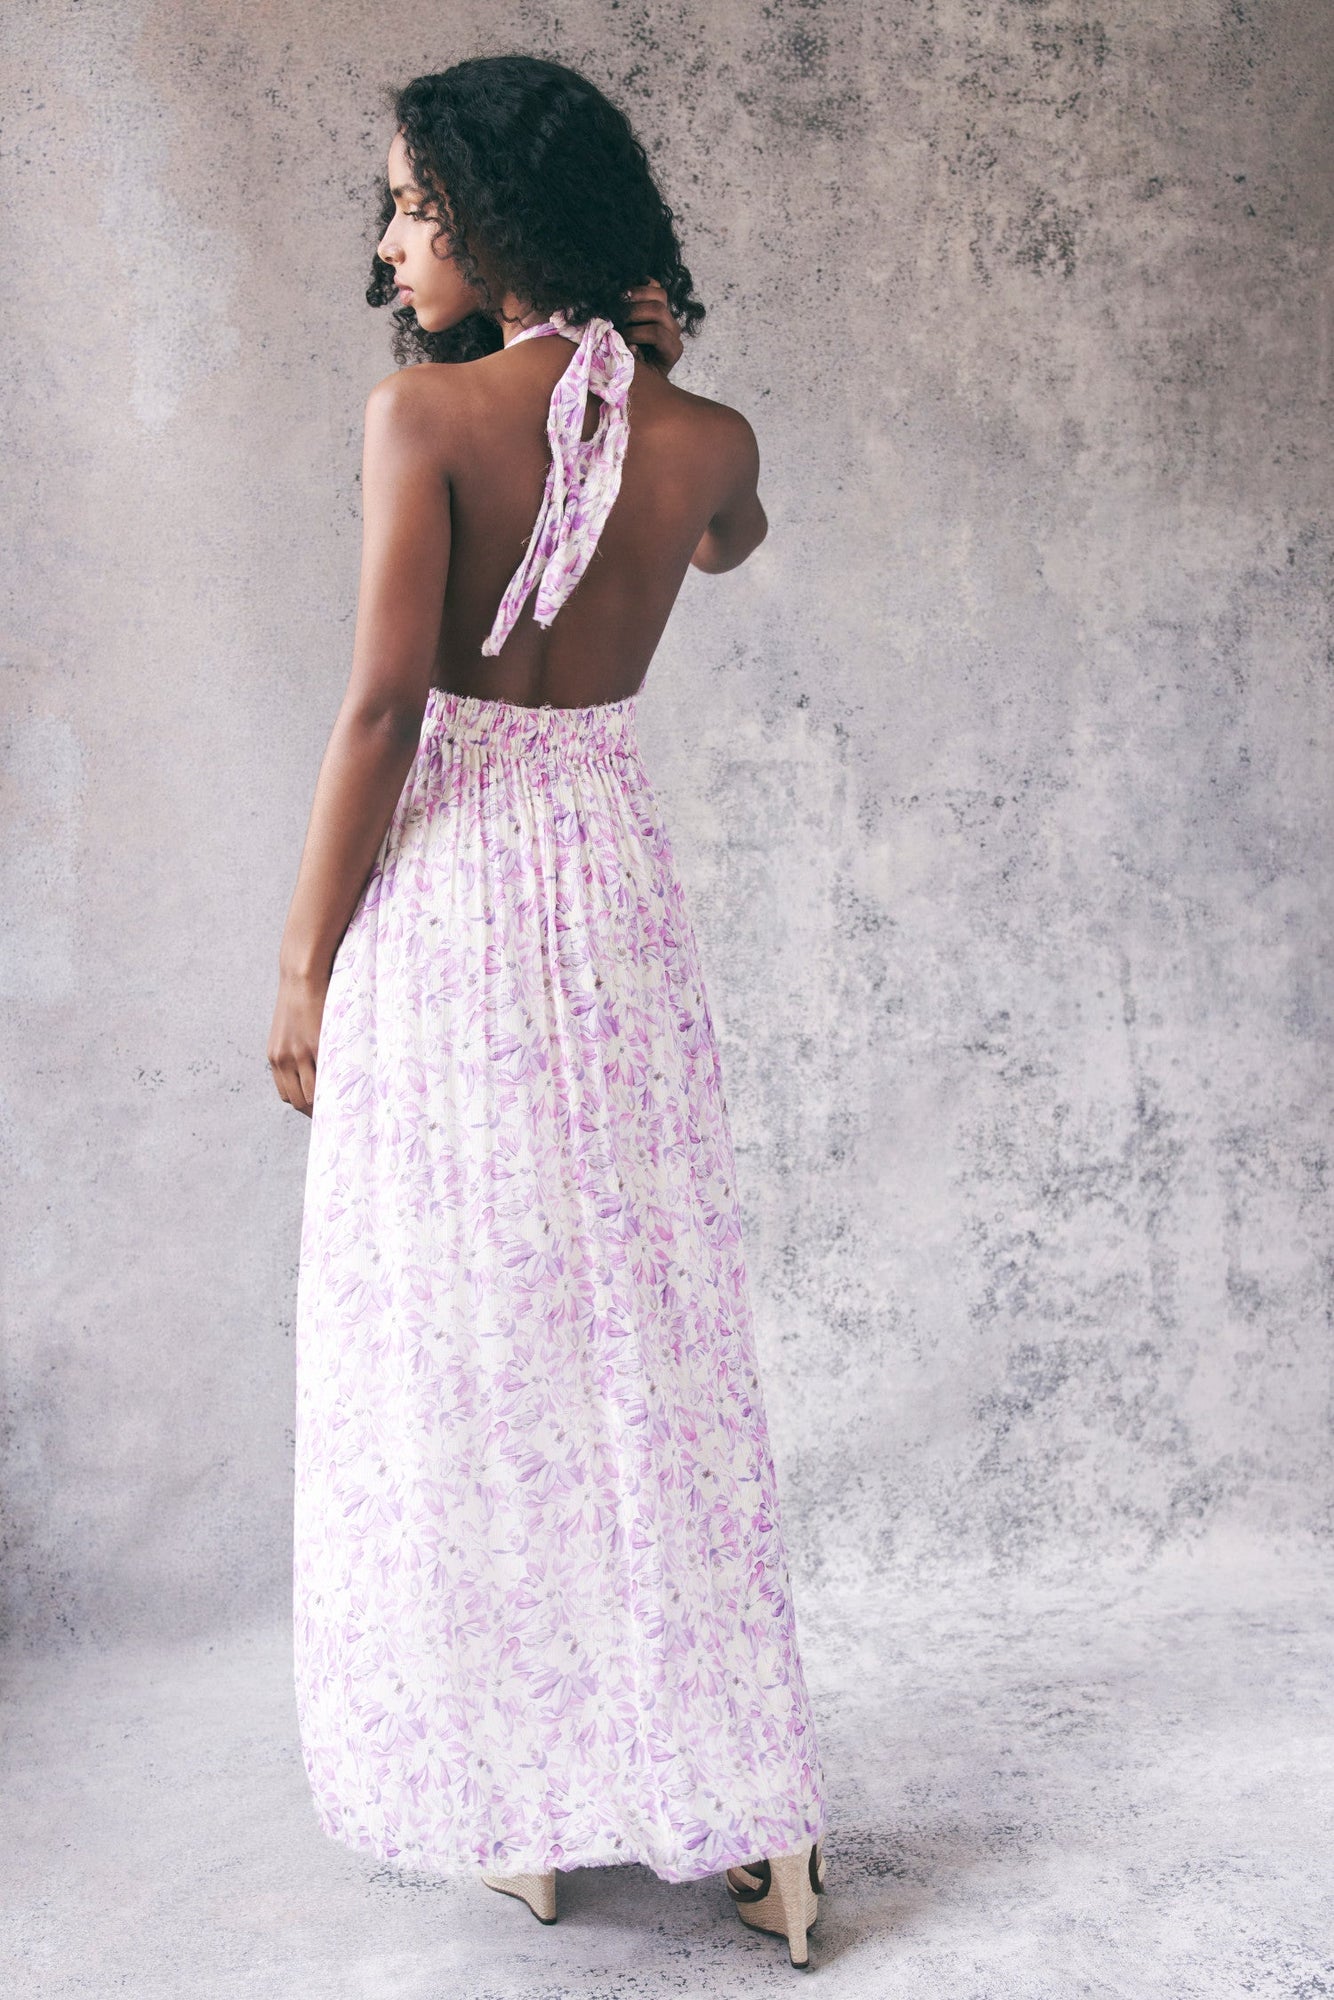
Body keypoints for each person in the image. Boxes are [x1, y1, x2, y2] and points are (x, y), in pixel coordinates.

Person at [266, 54, 828, 1969]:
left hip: (451, 892)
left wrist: (299, 965)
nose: (390, 238)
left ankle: (523, 1786)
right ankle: (757, 1826)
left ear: (500, 219)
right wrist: (655, 360)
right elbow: (731, 538)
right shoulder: (709, 435)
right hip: (607, 891)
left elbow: (383, 709)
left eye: (411, 204)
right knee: (636, 1338)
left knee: (472, 1340)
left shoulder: (422, 415)